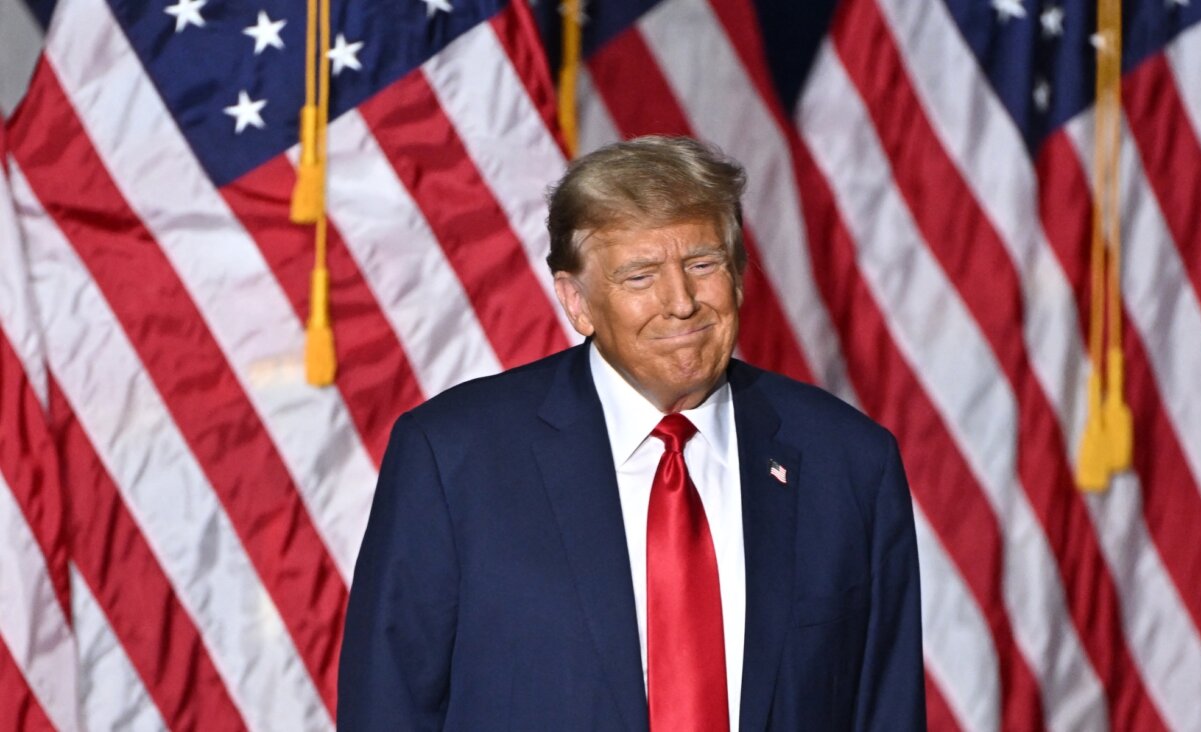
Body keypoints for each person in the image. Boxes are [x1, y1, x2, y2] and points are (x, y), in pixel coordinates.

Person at [337, 136, 925, 730]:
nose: (681, 302)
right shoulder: (452, 458)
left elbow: (886, 707)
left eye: (702, 264)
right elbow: (389, 705)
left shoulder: (849, 462)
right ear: (577, 302)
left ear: (739, 274)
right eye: (641, 276)